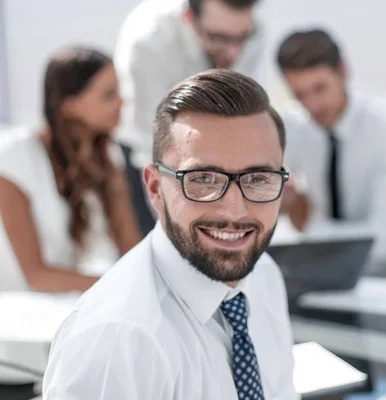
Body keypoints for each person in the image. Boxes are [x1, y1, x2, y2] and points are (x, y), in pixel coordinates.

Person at [43, 70, 298, 400]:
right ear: (154, 188)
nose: (235, 211)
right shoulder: (118, 339)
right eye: (203, 179)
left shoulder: (263, 277)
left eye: (258, 178)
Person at [114, 0, 266, 235]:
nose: (233, 52)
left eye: (241, 38)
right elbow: (150, 140)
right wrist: (173, 222)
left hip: (213, 146)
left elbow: (240, 112)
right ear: (188, 17)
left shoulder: (253, 32)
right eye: (219, 38)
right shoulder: (147, 42)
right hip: (142, 154)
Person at [276, 29, 386, 276]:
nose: (312, 105)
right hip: (319, 271)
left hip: (384, 275)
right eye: (299, 94)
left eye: (319, 89)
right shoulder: (294, 123)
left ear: (342, 72)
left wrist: (315, 233)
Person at [0, 47, 141, 293]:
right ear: (70, 106)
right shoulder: (13, 159)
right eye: (109, 94)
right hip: (18, 309)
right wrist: (122, 286)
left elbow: (130, 248)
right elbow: (36, 276)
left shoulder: (108, 154)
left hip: (70, 300)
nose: (122, 101)